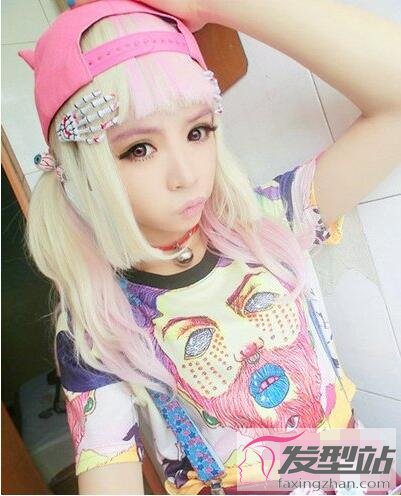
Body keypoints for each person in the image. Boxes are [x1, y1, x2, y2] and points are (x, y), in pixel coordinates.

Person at [19, 0, 401, 494]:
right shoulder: (99, 319)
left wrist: (213, 5)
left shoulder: (268, 221)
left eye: (197, 131)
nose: (186, 174)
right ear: (80, 168)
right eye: (139, 148)